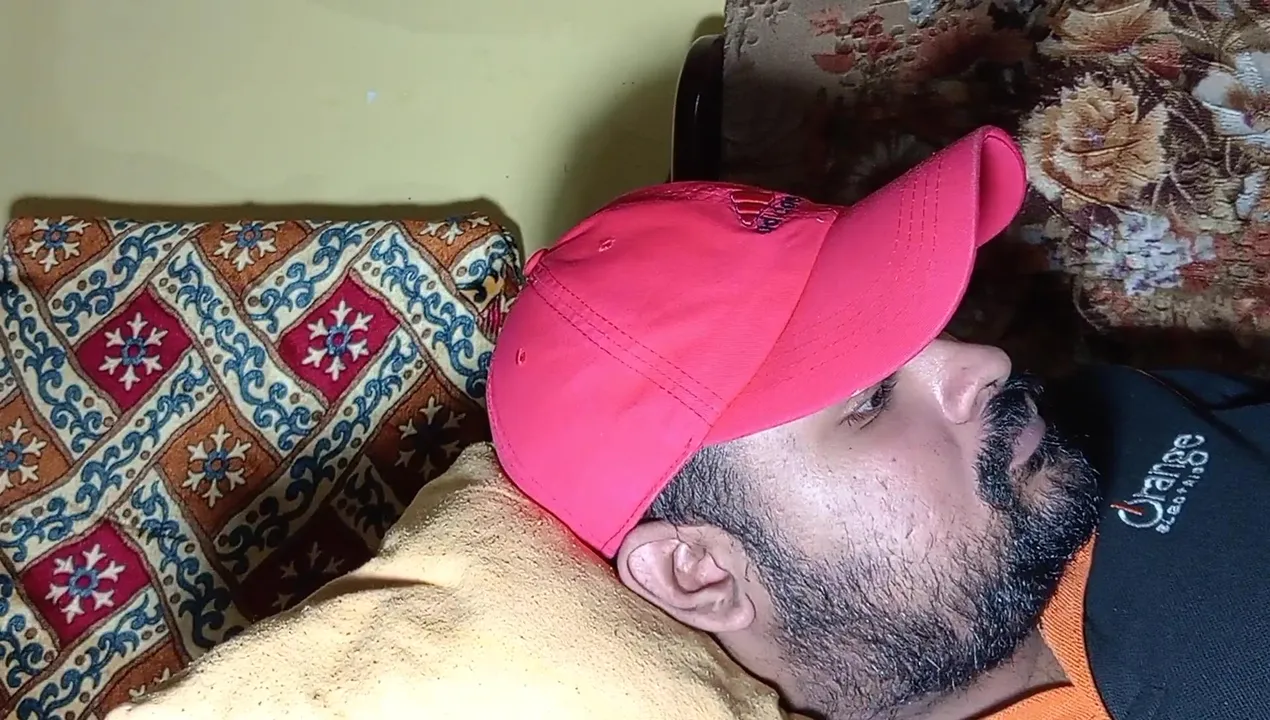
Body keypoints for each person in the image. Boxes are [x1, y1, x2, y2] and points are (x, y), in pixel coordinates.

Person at [485, 127, 1270, 720]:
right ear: (700, 574)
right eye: (870, 398)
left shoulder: (1124, 416)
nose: (986, 362)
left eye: (924, 325)